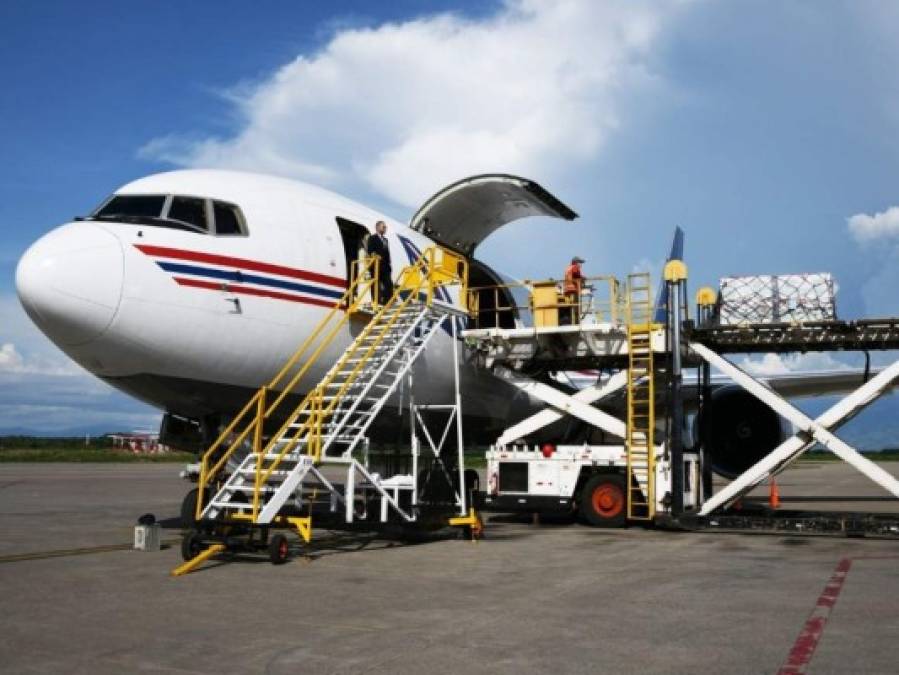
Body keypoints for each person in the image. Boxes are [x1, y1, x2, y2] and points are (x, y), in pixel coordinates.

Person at [366, 220, 393, 304]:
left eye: (385, 227)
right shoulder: (372, 238)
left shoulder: (386, 240)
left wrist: (389, 264)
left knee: (389, 284)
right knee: (375, 284)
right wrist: (375, 255)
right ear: (377, 227)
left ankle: (385, 302)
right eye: (383, 227)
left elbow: (387, 253)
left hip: (385, 266)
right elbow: (370, 250)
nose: (385, 229)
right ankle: (376, 301)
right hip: (376, 265)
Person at [563, 256, 585, 324]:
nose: (581, 265)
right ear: (576, 262)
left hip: (567, 290)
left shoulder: (568, 268)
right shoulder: (575, 267)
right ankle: (576, 323)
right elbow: (576, 275)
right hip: (573, 290)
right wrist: (583, 278)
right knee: (576, 308)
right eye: (580, 263)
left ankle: (570, 321)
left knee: (570, 307)